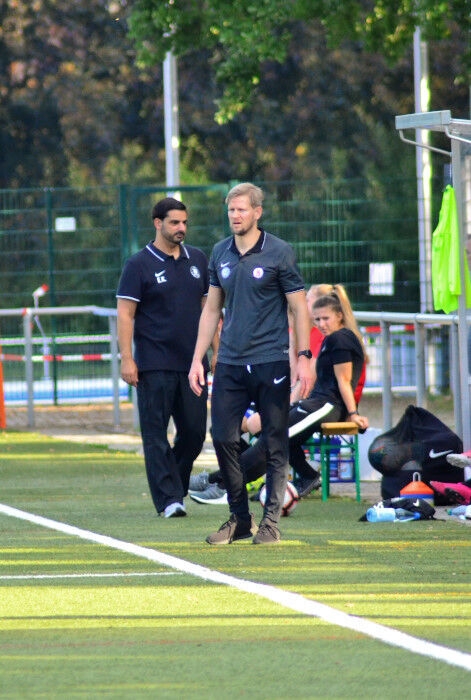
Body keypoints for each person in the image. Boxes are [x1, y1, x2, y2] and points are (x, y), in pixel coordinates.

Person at [188, 182, 313, 545]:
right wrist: (198, 358)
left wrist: (303, 358)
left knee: (275, 442)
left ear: (258, 212)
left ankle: (270, 522)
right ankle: (239, 519)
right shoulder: (219, 253)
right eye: (231, 210)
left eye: (242, 210)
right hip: (228, 362)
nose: (235, 216)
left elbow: (299, 308)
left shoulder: (279, 252)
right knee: (223, 437)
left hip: (271, 361)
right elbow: (212, 309)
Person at [116, 197, 211, 518]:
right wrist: (127, 358)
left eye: (184, 222)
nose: (181, 228)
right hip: (153, 364)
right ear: (158, 223)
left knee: (195, 433)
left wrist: (218, 353)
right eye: (174, 222)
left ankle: (175, 486)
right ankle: (169, 500)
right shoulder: (138, 265)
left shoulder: (198, 259)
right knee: (155, 433)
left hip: (194, 365)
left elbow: (209, 311)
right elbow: (125, 315)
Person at [238, 284, 369, 491]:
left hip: (326, 405)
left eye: (307, 300)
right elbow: (295, 377)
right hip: (315, 402)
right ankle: (250, 480)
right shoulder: (325, 336)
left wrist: (353, 413)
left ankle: (227, 481)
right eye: (318, 319)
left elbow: (329, 381)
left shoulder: (338, 338)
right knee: (251, 426)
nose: (320, 322)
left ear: (338, 314)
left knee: (273, 435)